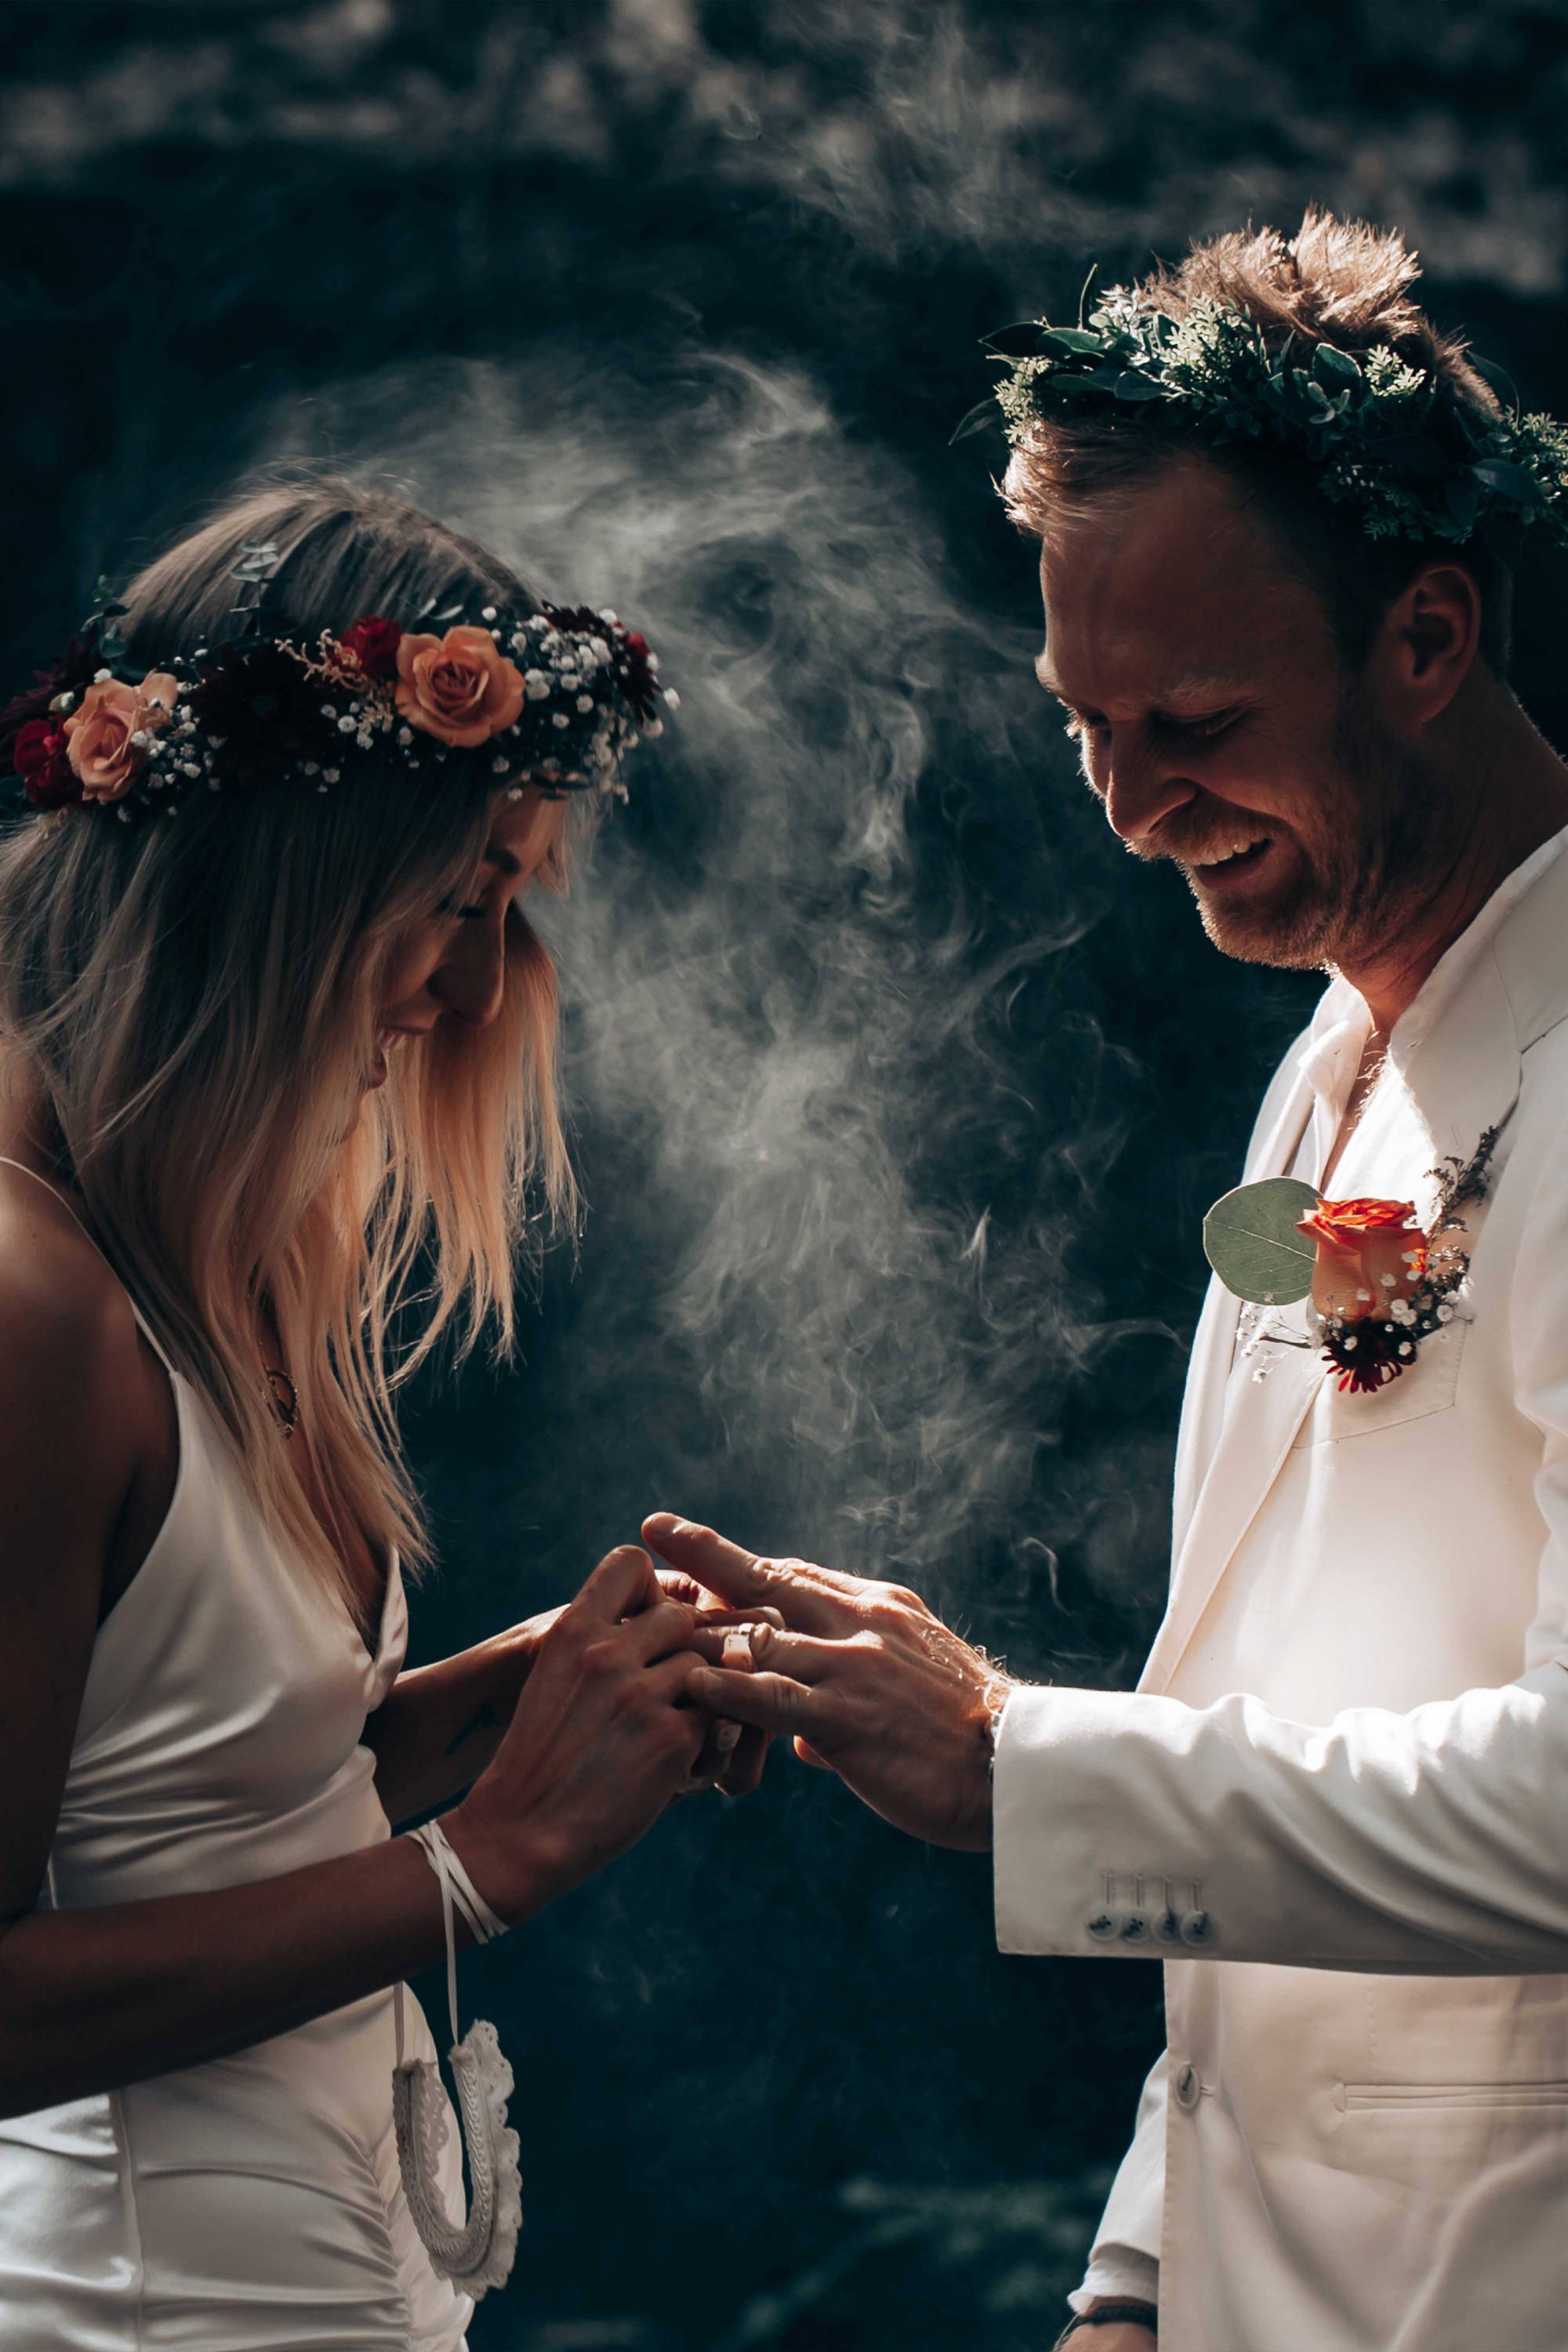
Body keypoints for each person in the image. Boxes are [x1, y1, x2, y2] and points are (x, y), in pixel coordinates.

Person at [647, 210, 1568, 2352]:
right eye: (1085, 722)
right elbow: (1268, 1686)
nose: (1136, 809)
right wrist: (1140, 2269)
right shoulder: (1316, 1076)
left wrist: (1016, 1768)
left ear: (1428, 636)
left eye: (1200, 719)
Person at [0, 478, 745, 2350]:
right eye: (456, 898)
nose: (483, 985)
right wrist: (480, 1869)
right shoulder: (19, 1308)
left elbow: (173, 1806)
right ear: (281, 881)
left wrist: (502, 1712)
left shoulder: (171, 1252)